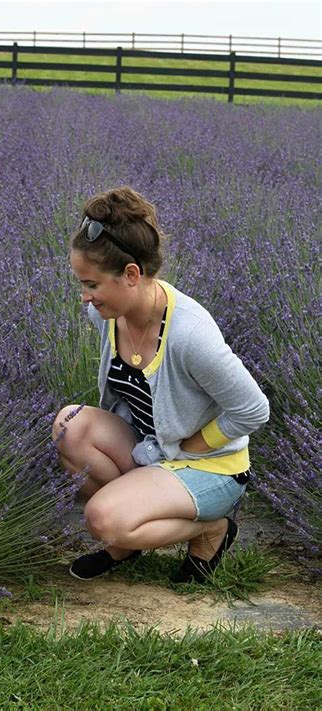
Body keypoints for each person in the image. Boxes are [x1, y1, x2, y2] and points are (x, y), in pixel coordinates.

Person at [52, 186, 270, 583]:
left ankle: (209, 528)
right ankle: (128, 531)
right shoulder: (107, 316)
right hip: (151, 448)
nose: (84, 297)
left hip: (210, 466)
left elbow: (254, 408)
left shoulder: (189, 334)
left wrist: (195, 444)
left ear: (131, 275)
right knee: (70, 425)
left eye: (92, 285)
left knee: (101, 517)